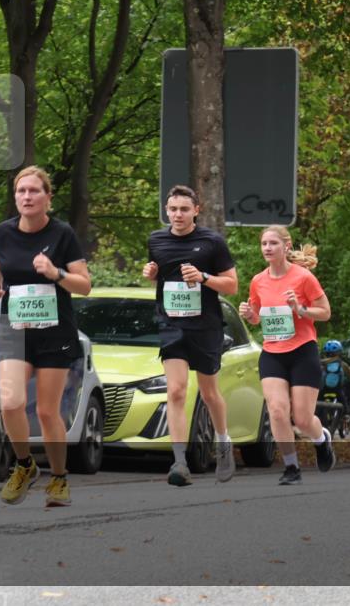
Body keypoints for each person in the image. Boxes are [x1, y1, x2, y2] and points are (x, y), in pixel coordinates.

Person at [0, 166, 92, 507]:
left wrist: (56, 272)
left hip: (53, 331)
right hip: (13, 328)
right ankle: (24, 465)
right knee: (11, 402)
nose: (27, 197)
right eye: (21, 191)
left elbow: (85, 285)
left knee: (47, 412)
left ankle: (59, 478)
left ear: (48, 197)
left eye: (34, 191)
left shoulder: (62, 234)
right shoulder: (2, 232)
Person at [142, 185, 239, 487]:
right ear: (166, 210)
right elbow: (162, 274)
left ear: (197, 210)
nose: (178, 214)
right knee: (176, 391)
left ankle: (223, 442)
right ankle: (179, 462)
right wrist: (152, 273)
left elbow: (232, 285)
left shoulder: (212, 242)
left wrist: (204, 277)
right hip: (171, 326)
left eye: (184, 209)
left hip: (206, 327)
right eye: (172, 209)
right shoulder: (157, 240)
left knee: (209, 393)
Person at [239, 225, 334, 485]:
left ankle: (321, 440)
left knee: (302, 420)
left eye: (273, 243)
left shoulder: (303, 278)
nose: (267, 248)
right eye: (264, 244)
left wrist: (300, 308)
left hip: (302, 351)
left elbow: (325, 312)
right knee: (278, 411)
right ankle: (291, 467)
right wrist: (249, 315)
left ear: (286, 247)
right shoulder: (258, 280)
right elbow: (258, 317)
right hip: (272, 353)